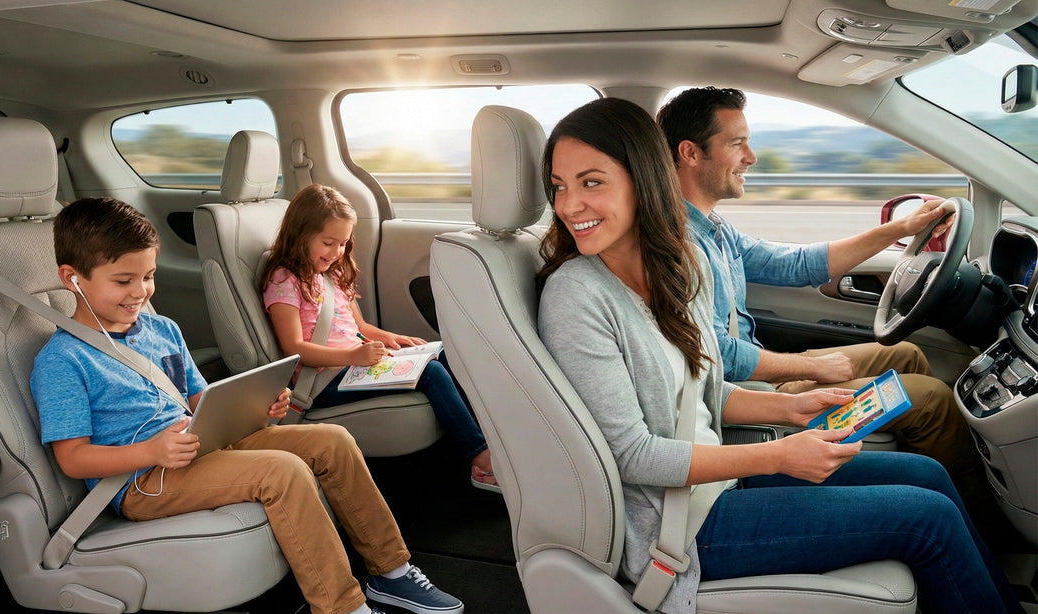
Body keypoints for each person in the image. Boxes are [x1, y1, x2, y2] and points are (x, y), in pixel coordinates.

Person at [536, 97, 1022, 614]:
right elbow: (633, 455)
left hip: (716, 482)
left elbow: (703, 388)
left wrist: (791, 409)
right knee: (927, 518)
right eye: (560, 186)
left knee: (928, 476)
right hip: (680, 526)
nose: (569, 206)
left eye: (591, 183)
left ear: (645, 180)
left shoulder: (672, 269)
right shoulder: (577, 295)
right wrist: (779, 454)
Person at [31, 196, 464, 614]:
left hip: (199, 445)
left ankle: (391, 572)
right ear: (73, 279)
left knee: (333, 440)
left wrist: (257, 408)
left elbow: (200, 400)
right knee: (283, 471)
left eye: (149, 276)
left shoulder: (162, 329)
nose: (141, 292)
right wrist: (152, 451)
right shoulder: (63, 360)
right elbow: (73, 458)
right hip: (143, 480)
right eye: (124, 281)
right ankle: (341, 607)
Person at [655, 86, 991, 513]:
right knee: (932, 401)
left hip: (758, 378)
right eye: (737, 144)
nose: (751, 157)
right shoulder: (678, 246)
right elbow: (715, 357)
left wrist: (899, 229)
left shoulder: (714, 228)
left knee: (906, 354)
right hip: (745, 395)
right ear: (690, 153)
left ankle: (917, 477)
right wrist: (810, 367)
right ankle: (982, 519)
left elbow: (795, 264)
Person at [260, 183, 497, 491]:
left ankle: (484, 442)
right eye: (328, 243)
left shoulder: (330, 274)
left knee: (448, 354)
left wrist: (390, 338)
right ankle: (481, 460)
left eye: (343, 244)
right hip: (324, 380)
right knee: (431, 373)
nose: (336, 252)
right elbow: (294, 348)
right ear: (300, 234)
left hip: (355, 366)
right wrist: (353, 356)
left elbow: (357, 326)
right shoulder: (284, 281)